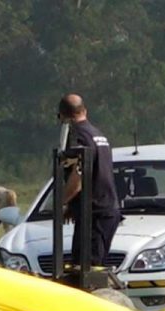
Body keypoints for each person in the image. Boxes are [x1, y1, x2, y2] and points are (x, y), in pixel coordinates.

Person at [57, 93, 120, 266]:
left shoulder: (76, 136)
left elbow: (79, 177)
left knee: (86, 271)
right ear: (85, 110)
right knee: (89, 266)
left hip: (94, 213)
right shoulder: (97, 134)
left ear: (62, 116)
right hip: (103, 210)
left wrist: (59, 201)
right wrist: (73, 205)